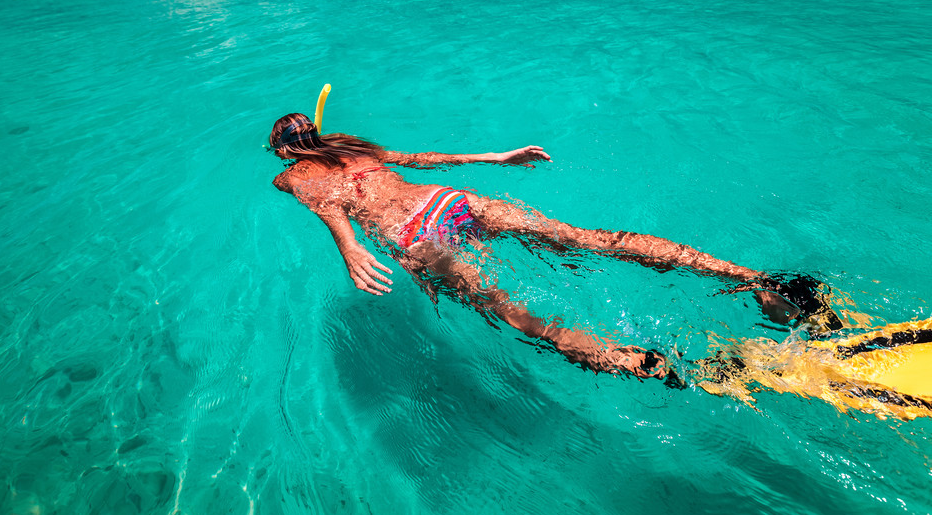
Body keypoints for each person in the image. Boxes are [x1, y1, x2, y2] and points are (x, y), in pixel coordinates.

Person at [269, 112, 802, 381]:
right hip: (448, 201)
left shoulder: (290, 177)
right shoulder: (355, 149)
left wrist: (348, 248)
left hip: (417, 235)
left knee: (521, 318)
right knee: (589, 240)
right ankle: (750, 278)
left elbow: (327, 202)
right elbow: (422, 158)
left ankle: (629, 360)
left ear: (282, 152)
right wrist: (496, 158)